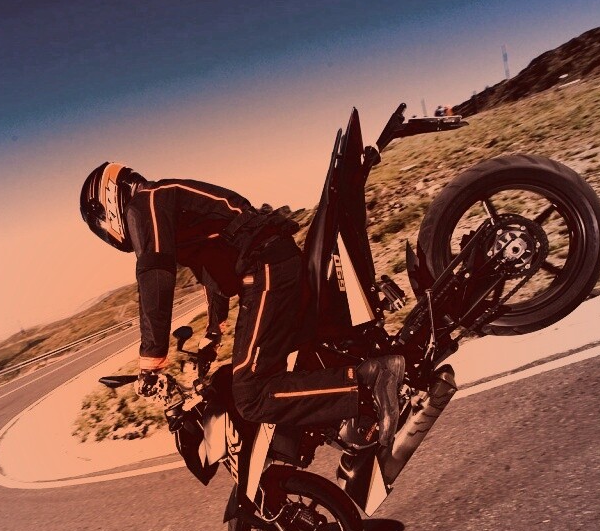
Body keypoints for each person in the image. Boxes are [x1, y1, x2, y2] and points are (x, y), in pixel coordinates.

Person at [79, 162, 404, 452]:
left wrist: (151, 360)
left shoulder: (146, 202)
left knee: (251, 394)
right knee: (291, 362)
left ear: (108, 201)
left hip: (264, 267)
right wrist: (213, 333)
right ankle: (356, 416)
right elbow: (211, 274)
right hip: (271, 262)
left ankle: (369, 381)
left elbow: (154, 274)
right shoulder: (167, 204)